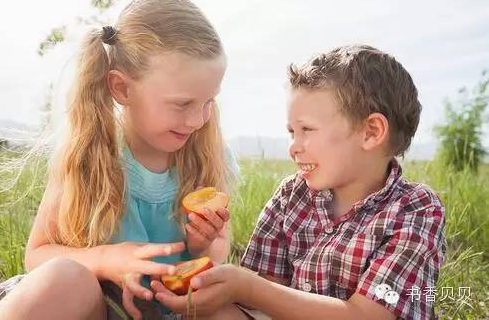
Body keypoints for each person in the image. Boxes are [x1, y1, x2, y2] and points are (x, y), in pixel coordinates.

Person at [0, 0, 239, 320]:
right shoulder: (89, 152)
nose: (198, 119)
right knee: (64, 278)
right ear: (122, 89)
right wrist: (105, 260)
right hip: (98, 306)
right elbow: (37, 255)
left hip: (174, 312)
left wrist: (204, 246)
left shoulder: (210, 156)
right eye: (182, 104)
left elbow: (218, 253)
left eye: (209, 102)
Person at [152, 45, 447, 320]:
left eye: (306, 129)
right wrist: (214, 271)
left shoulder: (416, 209)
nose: (294, 146)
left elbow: (369, 315)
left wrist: (248, 287)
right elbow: (262, 295)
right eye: (292, 131)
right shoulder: (290, 196)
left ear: (370, 132)